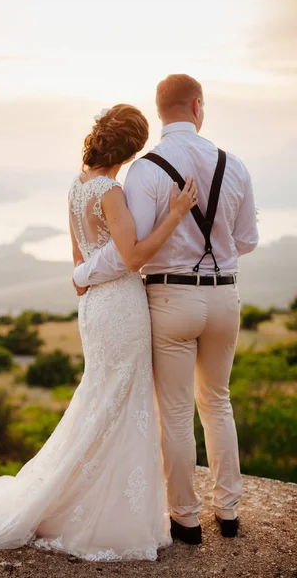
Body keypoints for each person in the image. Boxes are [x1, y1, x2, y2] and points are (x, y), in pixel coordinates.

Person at [0, 103, 197, 561]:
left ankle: (85, 497)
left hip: (93, 306)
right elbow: (133, 259)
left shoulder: (77, 186)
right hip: (121, 307)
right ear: (130, 149)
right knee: (121, 401)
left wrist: (86, 284)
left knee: (102, 397)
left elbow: (78, 261)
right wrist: (175, 213)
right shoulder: (111, 190)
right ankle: (107, 516)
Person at [73, 76, 259, 545]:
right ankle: (230, 511)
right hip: (223, 296)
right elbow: (247, 241)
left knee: (175, 412)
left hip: (170, 298)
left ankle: (186, 519)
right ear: (198, 107)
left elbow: (125, 252)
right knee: (218, 402)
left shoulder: (145, 171)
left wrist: (82, 275)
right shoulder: (232, 165)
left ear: (160, 112)